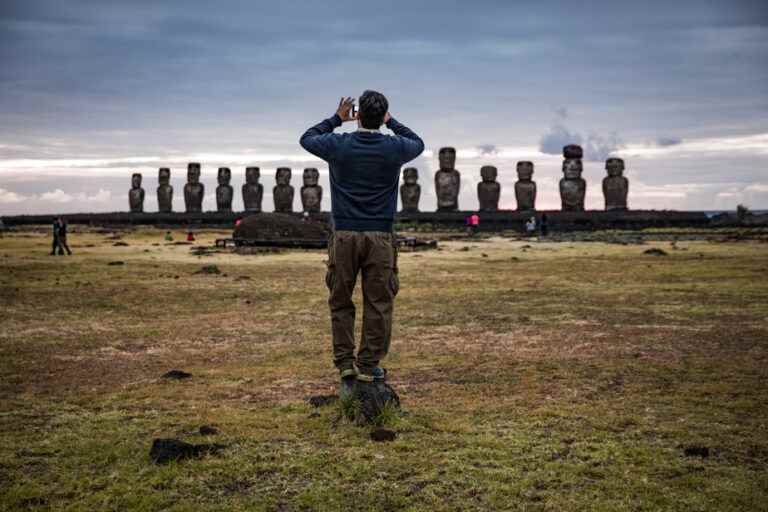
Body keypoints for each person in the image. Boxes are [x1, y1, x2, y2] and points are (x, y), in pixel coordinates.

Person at [299, 91, 424, 387]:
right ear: (382, 116)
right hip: (380, 235)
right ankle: (368, 364)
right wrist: (392, 122)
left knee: (340, 299)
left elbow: (307, 138)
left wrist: (336, 119)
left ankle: (345, 363)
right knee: (379, 302)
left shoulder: (338, 144)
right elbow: (418, 142)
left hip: (343, 234)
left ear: (357, 115)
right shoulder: (394, 147)